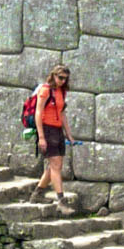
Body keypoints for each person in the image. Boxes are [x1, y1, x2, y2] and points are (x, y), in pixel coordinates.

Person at [32, 64, 77, 213]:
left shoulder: (61, 92)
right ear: (53, 76)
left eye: (65, 78)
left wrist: (69, 135)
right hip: (46, 130)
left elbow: (62, 114)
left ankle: (37, 194)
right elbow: (38, 113)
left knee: (54, 166)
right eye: (60, 77)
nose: (62, 81)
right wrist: (41, 137)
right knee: (56, 166)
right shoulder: (45, 91)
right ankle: (61, 201)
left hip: (57, 131)